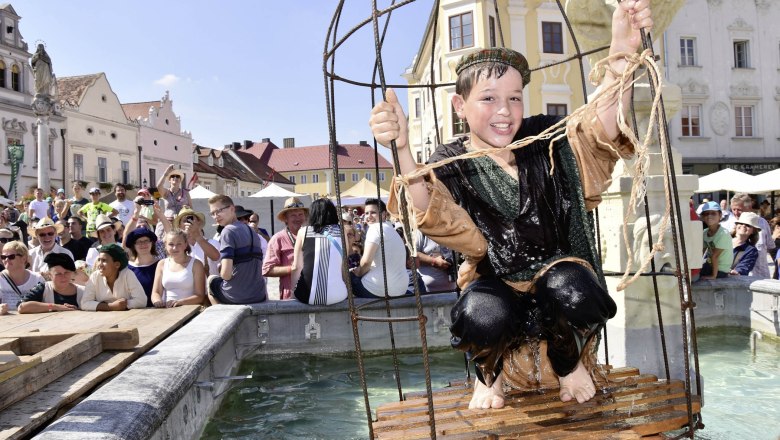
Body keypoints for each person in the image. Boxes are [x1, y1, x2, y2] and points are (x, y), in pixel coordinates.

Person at [369, 1, 652, 409]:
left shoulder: (544, 137)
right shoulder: (449, 162)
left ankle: (569, 362)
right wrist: (401, 150)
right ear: (459, 106)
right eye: (488, 98)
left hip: (560, 275)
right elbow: (433, 213)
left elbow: (598, 132)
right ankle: (490, 374)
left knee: (575, 291)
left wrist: (620, 55)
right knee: (480, 314)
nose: (504, 111)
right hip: (495, 284)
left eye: (515, 98)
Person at [206, 195, 267, 304]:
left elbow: (226, 275)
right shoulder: (252, 231)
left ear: (232, 209)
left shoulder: (227, 231)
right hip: (259, 294)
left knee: (211, 280)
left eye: (218, 211)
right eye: (212, 213)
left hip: (237, 296)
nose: (216, 216)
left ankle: (222, 318)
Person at [290, 198, 348, 305]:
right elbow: (344, 264)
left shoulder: (304, 232)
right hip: (338, 295)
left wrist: (292, 293)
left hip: (306, 296)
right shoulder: (341, 231)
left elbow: (296, 267)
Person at [348, 198, 408, 298]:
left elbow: (366, 262)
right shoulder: (392, 230)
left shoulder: (375, 228)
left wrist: (357, 272)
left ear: (384, 214)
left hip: (379, 289)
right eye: (366, 213)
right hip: (401, 289)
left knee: (347, 276)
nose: (369, 216)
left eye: (373, 213)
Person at [262, 197, 308, 300]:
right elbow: (267, 270)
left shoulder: (312, 235)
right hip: (291, 296)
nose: (298, 218)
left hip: (313, 292)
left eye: (300, 214)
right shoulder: (278, 239)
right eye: (293, 215)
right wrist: (293, 268)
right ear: (285, 219)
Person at [722, 193, 775, 278]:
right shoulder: (727, 225)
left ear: (749, 207)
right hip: (736, 279)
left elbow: (771, 247)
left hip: (761, 276)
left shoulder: (763, 223)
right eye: (733, 209)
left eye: (739, 209)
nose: (736, 213)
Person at [81, 243, 147, 311]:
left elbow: (142, 301)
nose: (99, 265)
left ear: (117, 265)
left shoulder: (127, 274)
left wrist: (123, 304)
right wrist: (111, 306)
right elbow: (85, 303)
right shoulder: (95, 276)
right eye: (99, 260)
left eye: (104, 261)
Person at [151, 230, 205, 307]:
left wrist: (180, 302)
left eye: (179, 244)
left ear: (185, 244)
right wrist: (158, 301)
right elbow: (156, 292)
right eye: (171, 244)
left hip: (191, 310)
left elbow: (200, 296)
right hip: (167, 310)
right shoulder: (161, 264)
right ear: (165, 245)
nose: (175, 248)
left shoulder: (196, 264)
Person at [18, 253, 84, 313]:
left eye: (66, 272)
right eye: (58, 274)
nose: (63, 277)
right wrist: (56, 307)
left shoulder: (83, 291)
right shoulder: (43, 288)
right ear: (50, 275)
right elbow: (22, 307)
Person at [0, 241, 44, 312]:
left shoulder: (37, 279)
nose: (6, 260)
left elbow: (46, 303)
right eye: (3, 257)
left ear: (23, 258)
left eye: (11, 257)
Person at [174, 207, 219, 276]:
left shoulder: (213, 243)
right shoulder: (178, 247)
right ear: (180, 226)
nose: (188, 222)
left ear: (198, 222)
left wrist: (197, 235)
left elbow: (216, 257)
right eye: (184, 220)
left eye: (191, 219)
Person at [126, 227, 160, 307]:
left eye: (146, 241)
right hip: (135, 311)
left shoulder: (161, 265)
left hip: (160, 309)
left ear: (152, 243)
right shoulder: (128, 268)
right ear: (133, 246)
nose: (143, 244)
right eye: (139, 242)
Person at [699, 201, 733, 279]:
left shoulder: (723, 233)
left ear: (720, 215)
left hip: (721, 270)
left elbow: (715, 256)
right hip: (710, 266)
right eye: (706, 214)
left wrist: (713, 276)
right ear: (703, 217)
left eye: (713, 213)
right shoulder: (705, 232)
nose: (709, 216)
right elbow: (702, 252)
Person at [729, 212, 760, 276]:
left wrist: (736, 272)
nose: (743, 226)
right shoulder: (723, 239)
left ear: (753, 231)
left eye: (748, 225)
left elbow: (743, 268)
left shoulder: (751, 250)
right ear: (736, 225)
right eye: (741, 223)